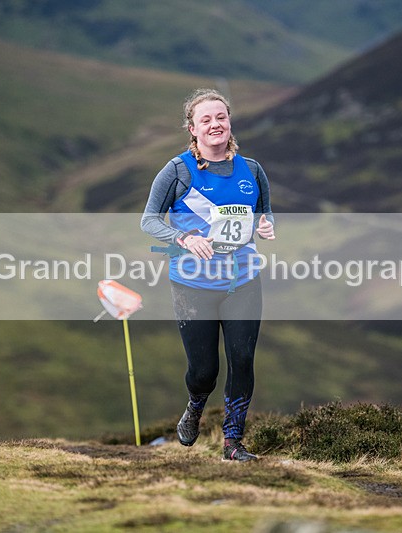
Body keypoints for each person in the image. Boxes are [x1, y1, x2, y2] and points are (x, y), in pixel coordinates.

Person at [141, 88, 275, 462]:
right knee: (204, 372)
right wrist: (182, 237)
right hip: (192, 285)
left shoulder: (253, 170)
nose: (215, 124)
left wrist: (266, 225)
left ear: (229, 122)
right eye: (206, 119)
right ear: (193, 128)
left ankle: (232, 443)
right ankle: (196, 405)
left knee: (243, 360)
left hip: (243, 281)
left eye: (221, 117)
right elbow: (149, 220)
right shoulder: (178, 171)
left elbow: (263, 213)